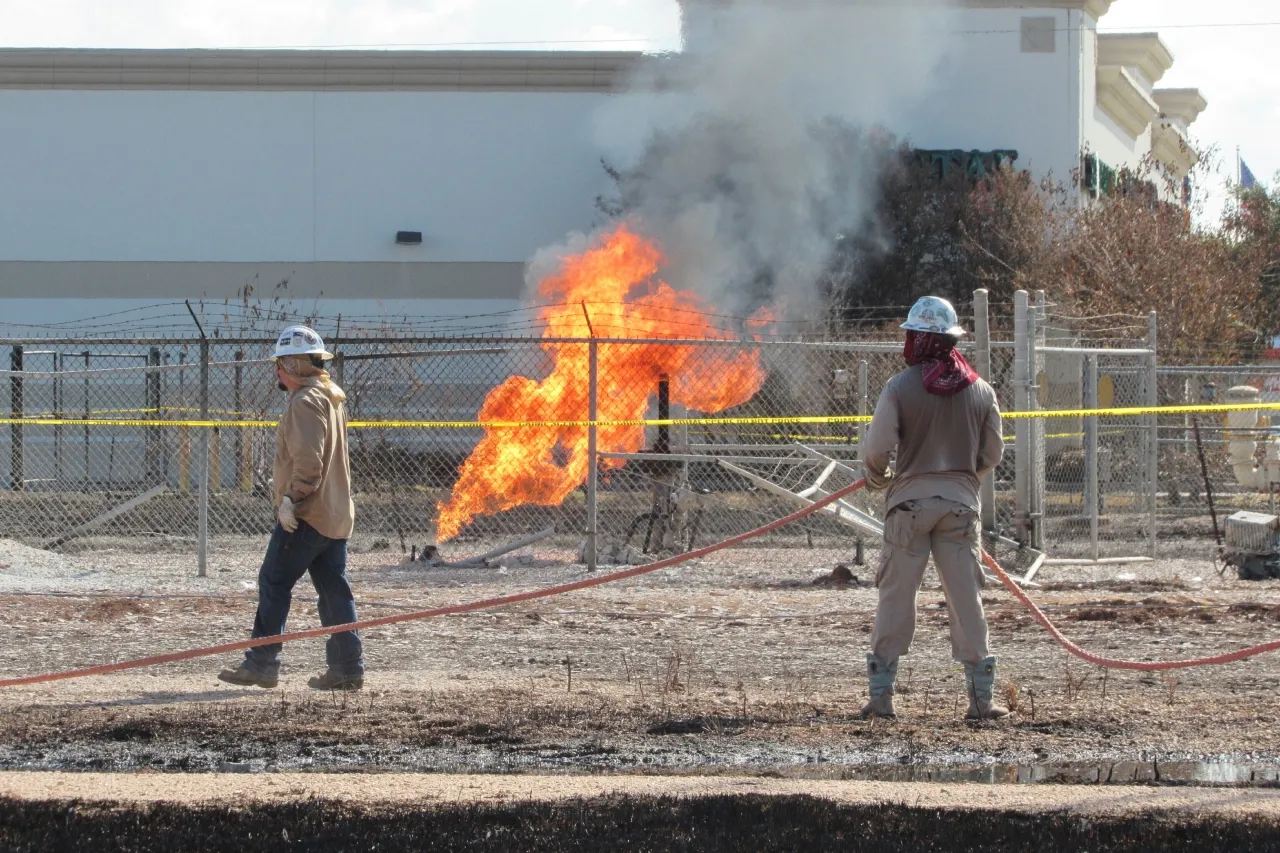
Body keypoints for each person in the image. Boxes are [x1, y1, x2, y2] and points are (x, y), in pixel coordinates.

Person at [860, 296, 1006, 720]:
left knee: (895, 596)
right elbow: (993, 453)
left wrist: (879, 476)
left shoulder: (900, 387)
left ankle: (882, 699)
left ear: (917, 340)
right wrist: (962, 482)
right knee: (966, 600)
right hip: (961, 508)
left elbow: (877, 448)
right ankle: (982, 701)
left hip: (908, 507)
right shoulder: (980, 390)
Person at [218, 325, 365, 691]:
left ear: (296, 365)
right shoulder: (330, 397)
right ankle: (348, 668)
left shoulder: (304, 402)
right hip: (335, 515)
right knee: (334, 592)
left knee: (274, 580)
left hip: (307, 516)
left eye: (282, 364)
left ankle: (262, 663)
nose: (278, 372)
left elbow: (309, 464)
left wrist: (290, 501)